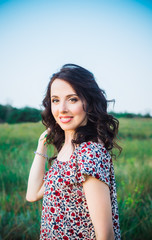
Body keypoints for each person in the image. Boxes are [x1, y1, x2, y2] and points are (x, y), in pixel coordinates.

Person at [26, 64, 122, 240]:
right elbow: (32, 194)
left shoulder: (89, 152)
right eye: (55, 100)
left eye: (72, 99)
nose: (62, 108)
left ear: (90, 103)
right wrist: (42, 144)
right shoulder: (66, 150)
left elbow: (106, 235)